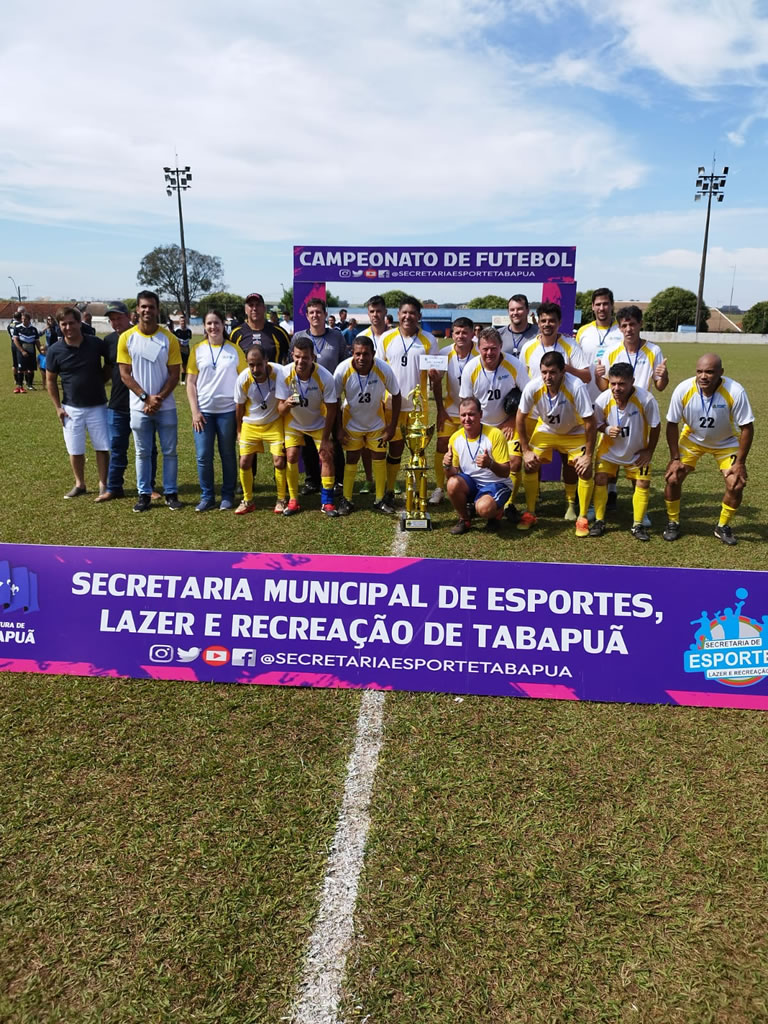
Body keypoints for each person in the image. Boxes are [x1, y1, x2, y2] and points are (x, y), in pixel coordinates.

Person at [663, 353, 754, 546]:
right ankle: (673, 522)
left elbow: (747, 427)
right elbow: (672, 423)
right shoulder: (683, 389)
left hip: (726, 442)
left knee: (736, 484)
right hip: (692, 439)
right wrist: (674, 458)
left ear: (721, 373)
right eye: (699, 371)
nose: (703, 376)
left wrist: (740, 463)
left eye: (709, 372)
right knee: (673, 477)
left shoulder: (735, 391)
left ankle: (722, 526)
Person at [515, 350, 596, 537]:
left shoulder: (576, 387)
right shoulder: (533, 387)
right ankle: (530, 512)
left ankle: (580, 515)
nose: (547, 377)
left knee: (584, 468)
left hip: (575, 431)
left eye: (552, 372)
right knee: (529, 465)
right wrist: (526, 451)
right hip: (547, 430)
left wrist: (588, 455)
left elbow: (590, 422)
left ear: (562, 372)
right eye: (544, 372)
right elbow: (520, 417)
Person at [117, 290, 183, 512]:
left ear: (157, 309)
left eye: (151, 306)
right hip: (138, 407)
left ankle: (171, 493)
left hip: (166, 406)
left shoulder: (169, 338)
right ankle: (144, 493)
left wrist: (159, 399)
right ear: (137, 309)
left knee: (170, 451)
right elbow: (125, 374)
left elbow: (175, 374)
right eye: (143, 306)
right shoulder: (126, 338)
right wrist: (146, 397)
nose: (147, 310)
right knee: (142, 452)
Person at [458, 326, 528, 516]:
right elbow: (466, 403)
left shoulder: (515, 365)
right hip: (481, 428)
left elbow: (528, 397)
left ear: (500, 347)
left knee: (513, 462)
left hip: (507, 425)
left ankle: (508, 505)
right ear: (478, 348)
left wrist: (513, 420)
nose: (489, 353)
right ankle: (476, 499)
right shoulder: (470, 369)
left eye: (493, 348)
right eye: (485, 349)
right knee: (477, 466)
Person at [96, 301, 159, 503]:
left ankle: (149, 487)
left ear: (130, 316)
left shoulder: (142, 337)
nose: (115, 323)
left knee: (148, 448)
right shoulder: (109, 341)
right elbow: (108, 368)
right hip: (118, 404)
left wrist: (150, 398)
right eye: (111, 319)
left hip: (143, 403)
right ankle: (114, 487)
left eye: (118, 318)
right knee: (117, 448)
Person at [379, 296, 440, 503]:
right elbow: (378, 371)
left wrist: (435, 374)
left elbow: (437, 372)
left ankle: (416, 489)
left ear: (419, 316)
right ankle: (389, 489)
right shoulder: (386, 338)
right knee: (394, 447)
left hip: (418, 406)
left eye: (412, 313)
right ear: (398, 315)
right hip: (391, 404)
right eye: (404, 312)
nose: (408, 316)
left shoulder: (429, 340)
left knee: (418, 449)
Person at [590, 362, 660, 541]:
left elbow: (655, 426)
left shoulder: (646, 399)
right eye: (613, 383)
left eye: (622, 384)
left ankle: (638, 524)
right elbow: (595, 424)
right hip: (609, 451)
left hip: (636, 452)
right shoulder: (603, 400)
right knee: (600, 478)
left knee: (643, 483)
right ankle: (599, 520)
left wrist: (649, 451)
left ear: (632, 382)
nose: (616, 388)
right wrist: (606, 429)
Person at [46, 307, 111, 498]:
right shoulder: (54, 350)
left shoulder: (95, 343)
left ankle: (103, 484)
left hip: (97, 406)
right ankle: (80, 484)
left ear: (79, 323)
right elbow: (50, 380)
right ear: (59, 326)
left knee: (102, 447)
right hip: (70, 408)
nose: (68, 327)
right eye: (63, 324)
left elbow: (109, 364)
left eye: (71, 323)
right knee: (75, 450)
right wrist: (58, 407)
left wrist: (101, 380)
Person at [334, 335, 401, 515]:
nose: (361, 358)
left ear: (373, 354)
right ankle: (346, 499)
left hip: (376, 423)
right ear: (352, 353)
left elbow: (396, 394)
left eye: (366, 354)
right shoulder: (342, 370)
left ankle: (380, 499)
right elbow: (334, 400)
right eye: (357, 354)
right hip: (352, 423)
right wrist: (339, 429)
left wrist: (392, 426)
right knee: (352, 458)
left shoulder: (383, 369)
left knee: (379, 457)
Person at [186, 309, 246, 512]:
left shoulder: (234, 350)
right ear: (204, 326)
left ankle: (228, 495)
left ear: (223, 325)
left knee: (228, 454)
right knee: (203, 455)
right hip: (203, 413)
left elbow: (244, 381)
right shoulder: (197, 350)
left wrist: (242, 414)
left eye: (217, 323)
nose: (213, 327)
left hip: (228, 412)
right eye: (209, 323)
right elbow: (190, 383)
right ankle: (207, 496)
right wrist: (195, 411)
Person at [276, 335, 339, 516]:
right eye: (297, 356)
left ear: (313, 358)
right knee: (292, 455)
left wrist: (326, 439)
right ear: (292, 356)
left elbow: (332, 409)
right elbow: (280, 409)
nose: (300, 361)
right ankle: (294, 500)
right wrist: (287, 404)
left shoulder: (325, 377)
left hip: (318, 421)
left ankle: (327, 502)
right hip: (294, 422)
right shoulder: (284, 374)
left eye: (305, 357)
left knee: (326, 455)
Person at [290, 298, 347, 495]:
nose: (315, 315)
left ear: (325, 314)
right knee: (307, 442)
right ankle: (312, 480)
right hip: (307, 397)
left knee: (333, 440)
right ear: (306, 316)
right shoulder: (298, 336)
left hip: (331, 397)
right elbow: (293, 364)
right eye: (311, 312)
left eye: (319, 312)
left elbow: (344, 365)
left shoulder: (336, 337)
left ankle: (338, 480)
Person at [443, 396, 511, 535]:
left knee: (484, 509)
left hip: (496, 484)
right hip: (472, 483)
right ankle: (464, 519)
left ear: (480, 415)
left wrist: (490, 464)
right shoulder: (455, 438)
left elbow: (506, 472)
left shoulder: (494, 434)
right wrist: (447, 465)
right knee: (452, 483)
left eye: (471, 414)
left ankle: (496, 512)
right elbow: (451, 475)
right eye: (463, 415)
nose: (467, 419)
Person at [429, 316, 477, 506]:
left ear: (472, 333)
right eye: (457, 332)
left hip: (473, 412)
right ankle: (440, 488)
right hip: (450, 410)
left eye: (465, 332)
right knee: (442, 445)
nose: (460, 336)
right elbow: (437, 383)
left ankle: (474, 489)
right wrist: (440, 409)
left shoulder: (481, 353)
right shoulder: (443, 353)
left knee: (473, 449)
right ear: (452, 333)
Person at [234, 345, 287, 514]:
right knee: (244, 461)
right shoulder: (243, 379)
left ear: (266, 361)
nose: (255, 369)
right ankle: (247, 500)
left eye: (258, 364)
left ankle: (281, 498)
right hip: (250, 424)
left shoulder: (279, 372)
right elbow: (239, 407)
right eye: (251, 365)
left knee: (279, 461)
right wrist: (239, 431)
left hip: (274, 422)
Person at [596, 305, 668, 395]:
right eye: (624, 326)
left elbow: (660, 387)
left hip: (642, 405)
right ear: (620, 328)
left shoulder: (653, 350)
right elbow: (603, 387)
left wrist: (664, 376)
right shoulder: (611, 351)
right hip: (618, 405)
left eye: (632, 324)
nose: (628, 329)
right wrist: (598, 375)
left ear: (640, 324)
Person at [519, 302, 590, 384]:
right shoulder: (527, 347)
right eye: (543, 321)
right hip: (537, 396)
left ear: (559, 323)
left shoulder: (571, 345)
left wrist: (565, 368)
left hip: (564, 396)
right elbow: (521, 380)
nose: (547, 324)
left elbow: (587, 377)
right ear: (538, 323)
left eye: (551, 321)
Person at [576, 288, 623, 404]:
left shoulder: (622, 330)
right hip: (587, 398)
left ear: (612, 305)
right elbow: (577, 364)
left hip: (616, 399)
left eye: (605, 304)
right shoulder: (583, 332)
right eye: (598, 304)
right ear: (592, 306)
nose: (601, 308)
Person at [230, 292, 290, 364]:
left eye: (258, 305)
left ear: (264, 308)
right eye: (251, 305)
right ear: (245, 310)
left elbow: (292, 356)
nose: (254, 308)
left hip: (273, 375)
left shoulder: (279, 332)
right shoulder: (236, 333)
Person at [13, 312, 42, 391]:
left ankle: (30, 385)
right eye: (22, 319)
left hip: (31, 351)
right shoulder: (17, 328)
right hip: (21, 351)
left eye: (25, 319)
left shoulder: (33, 329)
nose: (23, 320)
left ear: (29, 320)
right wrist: (22, 351)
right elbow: (15, 340)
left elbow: (37, 341)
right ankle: (20, 386)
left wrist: (41, 351)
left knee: (31, 368)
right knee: (21, 368)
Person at [173, 313, 193, 383]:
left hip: (186, 349)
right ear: (179, 322)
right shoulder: (176, 330)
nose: (183, 322)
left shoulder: (189, 331)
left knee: (185, 365)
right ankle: (174, 379)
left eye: (184, 321)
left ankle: (183, 380)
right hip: (178, 349)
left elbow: (189, 339)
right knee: (176, 365)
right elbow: (173, 340)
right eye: (181, 321)